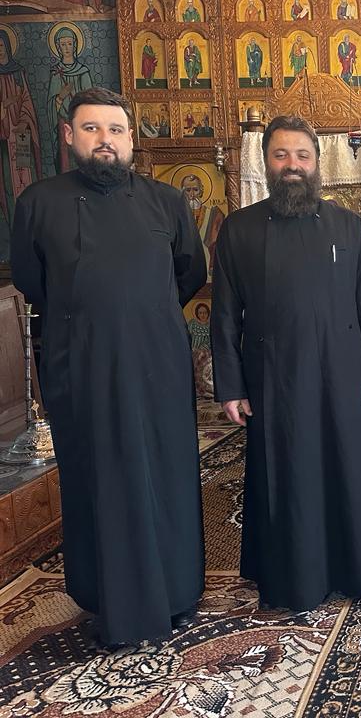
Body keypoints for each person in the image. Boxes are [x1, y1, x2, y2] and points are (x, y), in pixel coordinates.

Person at [11, 87, 206, 645]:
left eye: (115, 130)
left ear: (130, 139)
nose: (105, 140)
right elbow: (31, 278)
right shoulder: (40, 203)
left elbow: (189, 272)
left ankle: (177, 591)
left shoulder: (166, 201)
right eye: (92, 128)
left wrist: (138, 315)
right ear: (69, 136)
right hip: (82, 365)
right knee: (97, 476)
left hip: (157, 365)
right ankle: (107, 598)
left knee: (166, 472)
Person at [212, 115, 361, 609]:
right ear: (266, 162)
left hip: (339, 374)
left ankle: (349, 571)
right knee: (284, 474)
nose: (292, 165)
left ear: (316, 163)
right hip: (273, 378)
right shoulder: (240, 229)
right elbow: (225, 314)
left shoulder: (346, 225)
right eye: (281, 155)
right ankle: (291, 579)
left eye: (302, 156)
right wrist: (231, 386)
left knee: (341, 469)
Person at [0, 28, 43, 261]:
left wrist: (24, 122)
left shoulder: (18, 73)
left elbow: (27, 101)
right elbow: (9, 102)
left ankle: (30, 236)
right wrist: (5, 105)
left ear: (7, 46)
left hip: (22, 138)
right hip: (3, 142)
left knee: (25, 183)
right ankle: (11, 238)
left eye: (1, 46)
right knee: (7, 186)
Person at [47, 26, 93, 173]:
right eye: (63, 44)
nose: (67, 48)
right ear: (58, 47)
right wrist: (60, 96)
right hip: (63, 125)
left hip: (81, 123)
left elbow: (91, 100)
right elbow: (50, 105)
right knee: (65, 163)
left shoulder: (83, 72)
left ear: (75, 45)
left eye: (69, 43)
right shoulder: (56, 73)